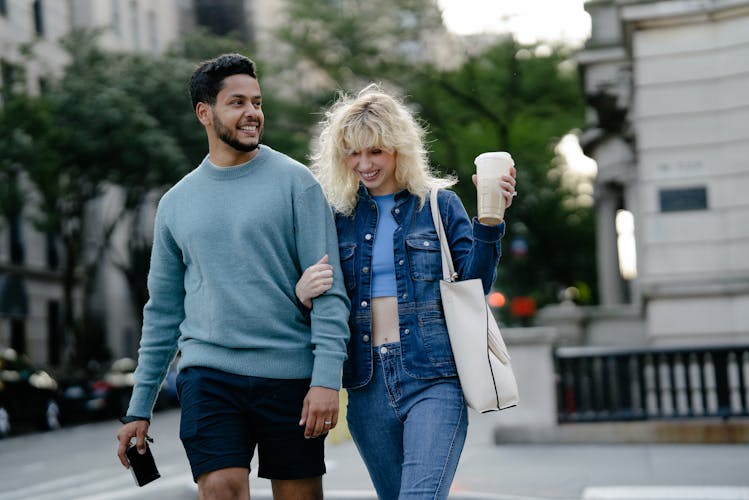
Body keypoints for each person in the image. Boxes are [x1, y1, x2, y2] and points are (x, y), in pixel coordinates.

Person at [115, 53, 351, 500]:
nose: (252, 114)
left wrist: (325, 379)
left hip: (289, 374)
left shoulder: (296, 184)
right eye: (237, 102)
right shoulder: (176, 203)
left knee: (299, 494)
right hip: (210, 373)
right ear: (204, 112)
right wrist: (138, 408)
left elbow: (330, 291)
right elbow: (163, 311)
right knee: (220, 488)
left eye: (257, 102)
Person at [295, 85, 517, 499]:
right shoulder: (335, 218)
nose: (364, 163)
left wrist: (490, 222)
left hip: (433, 376)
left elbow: (475, 288)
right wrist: (302, 293)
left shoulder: (438, 205)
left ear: (398, 149)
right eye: (354, 153)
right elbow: (321, 307)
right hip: (365, 384)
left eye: (375, 151)